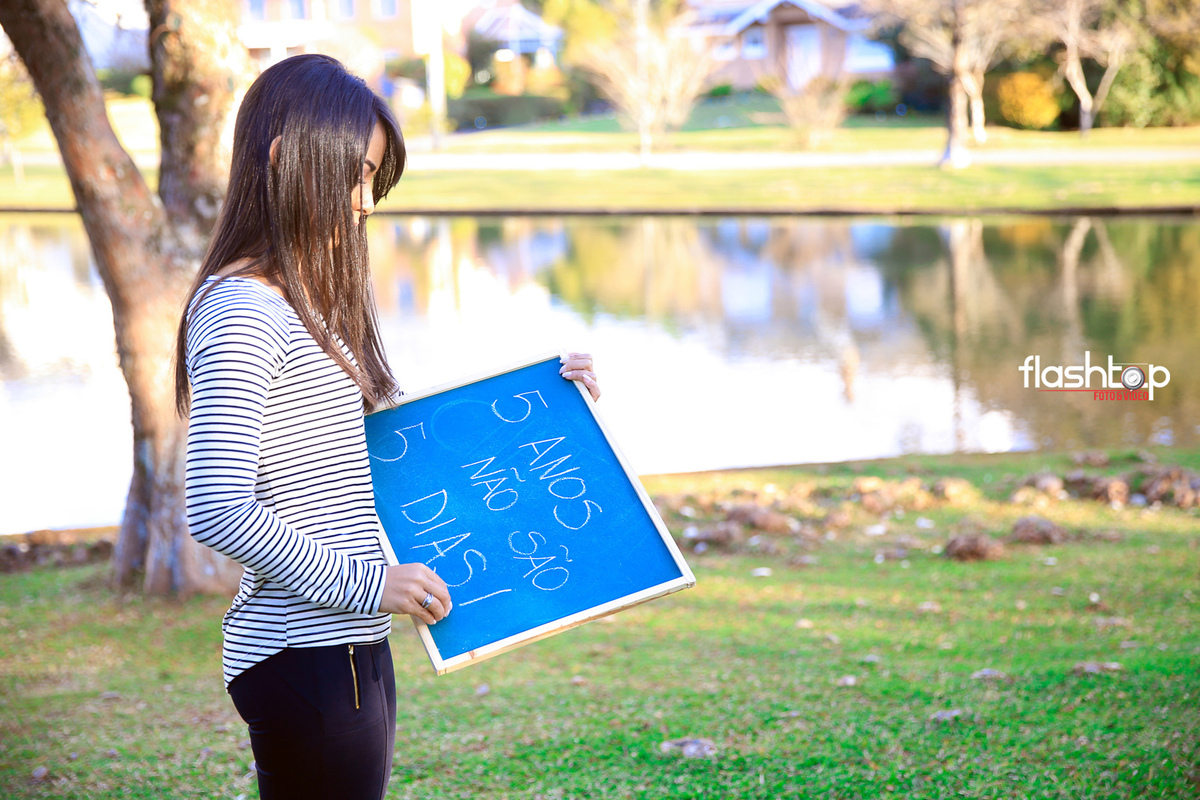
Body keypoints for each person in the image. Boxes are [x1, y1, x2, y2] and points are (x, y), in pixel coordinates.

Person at [173, 54, 599, 800]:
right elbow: (216, 505)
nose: (368, 202)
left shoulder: (299, 300)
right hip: (303, 652)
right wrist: (371, 583)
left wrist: (551, 401)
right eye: (358, 175)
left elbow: (388, 443)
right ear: (285, 158)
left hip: (349, 643)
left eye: (375, 178)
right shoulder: (246, 309)